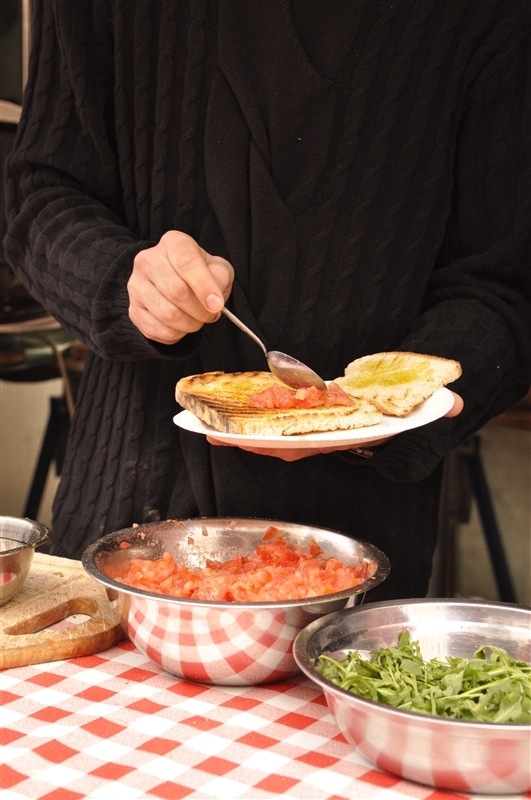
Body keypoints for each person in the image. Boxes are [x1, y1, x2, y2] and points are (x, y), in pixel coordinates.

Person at [3, 0, 530, 601]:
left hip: (355, 556)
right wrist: (122, 280)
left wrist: (391, 403)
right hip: (126, 517)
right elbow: (38, 193)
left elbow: (504, 282)